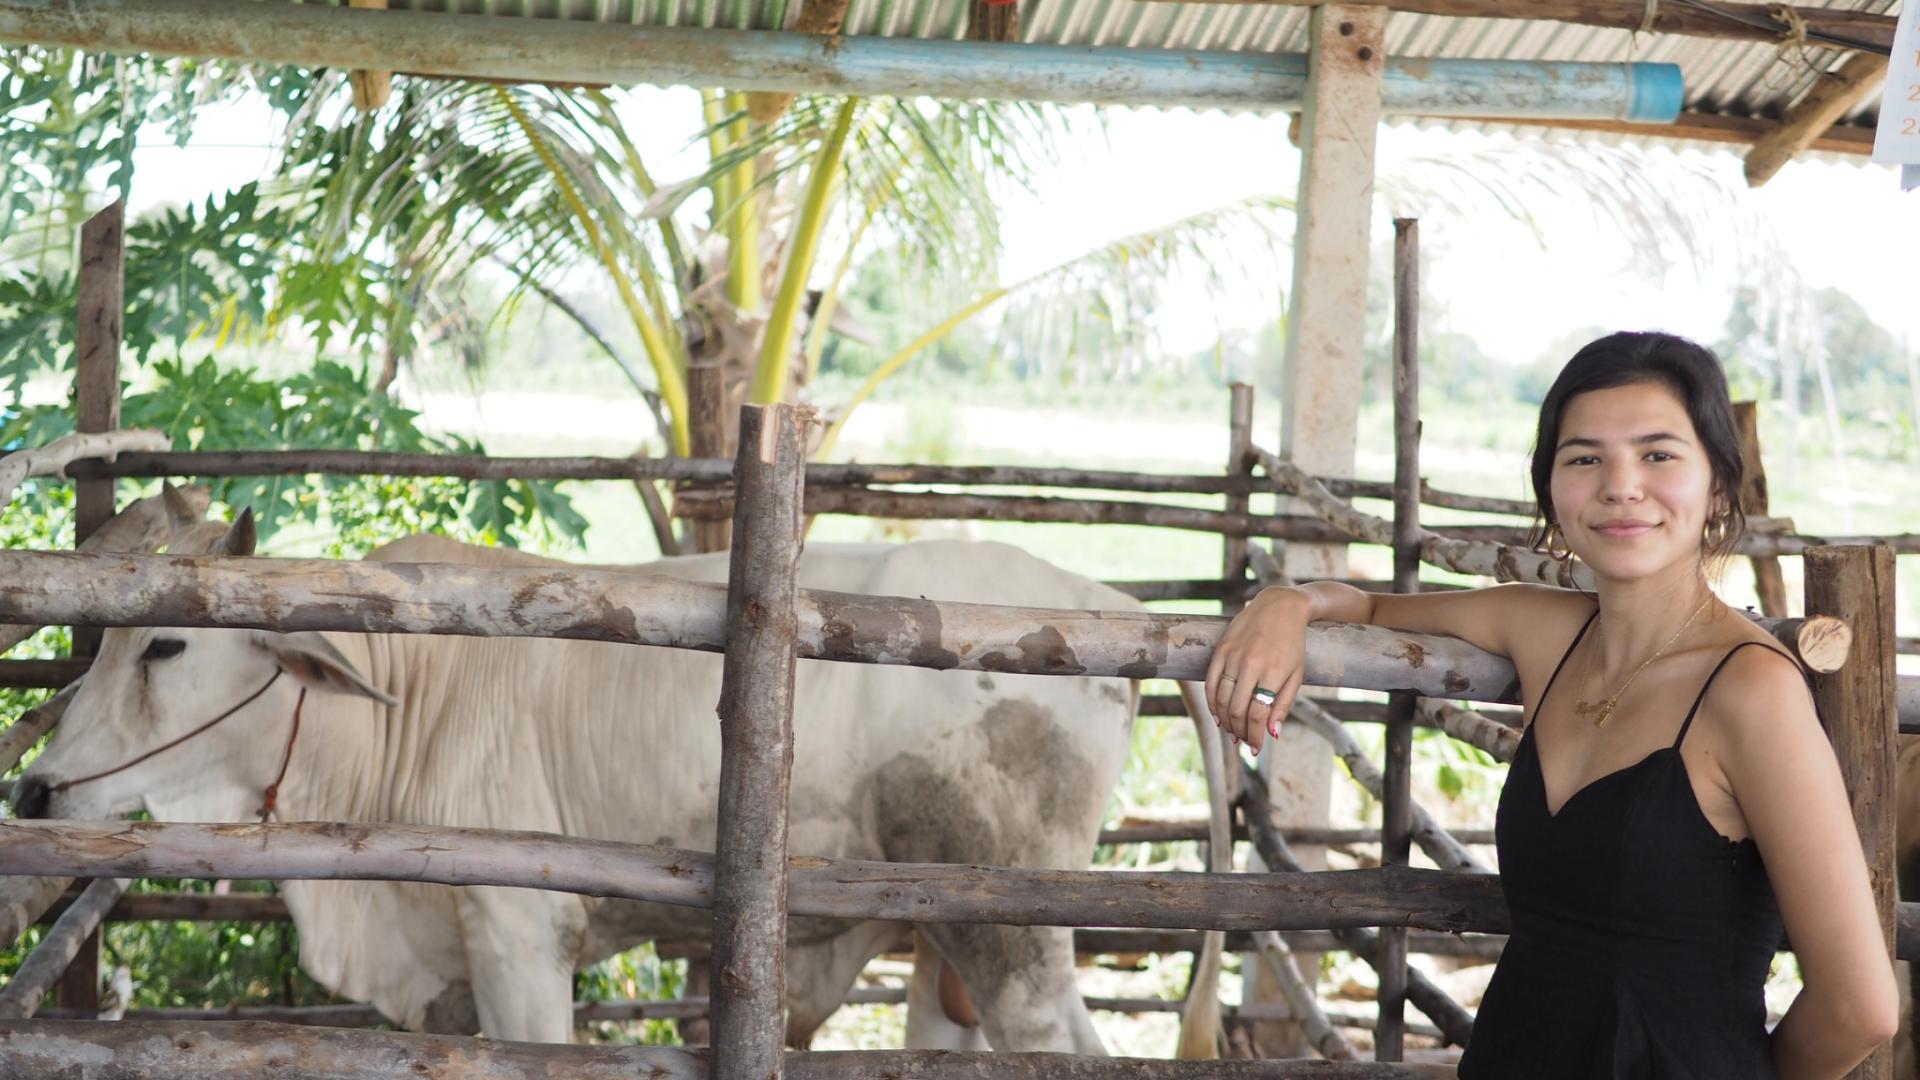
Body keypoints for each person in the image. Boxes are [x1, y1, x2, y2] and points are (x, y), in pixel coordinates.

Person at [1205, 331, 1896, 1078]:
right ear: (1551, 489)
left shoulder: (1751, 691)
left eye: (1658, 454)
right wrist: (1287, 601)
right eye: (1584, 457)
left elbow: (1861, 1005)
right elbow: (1370, 604)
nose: (1620, 485)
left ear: (1719, 487)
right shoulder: (1544, 631)